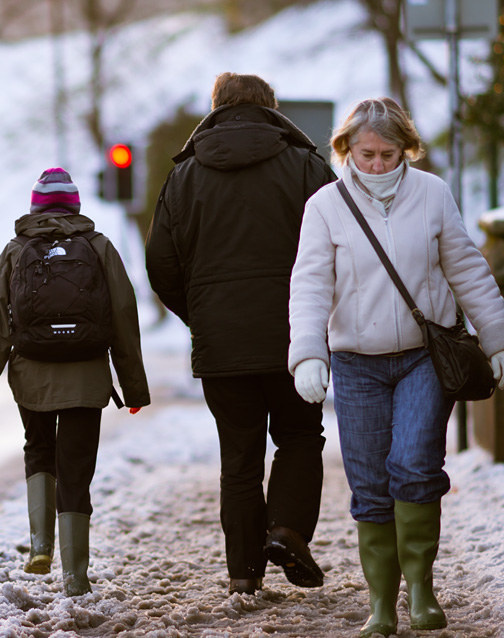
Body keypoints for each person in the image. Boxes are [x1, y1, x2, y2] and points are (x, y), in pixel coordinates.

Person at [288, 97, 504, 636]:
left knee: (413, 464)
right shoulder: (325, 205)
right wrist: (309, 353)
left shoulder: (432, 193)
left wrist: (497, 339)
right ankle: (381, 605)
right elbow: (310, 285)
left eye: (389, 154)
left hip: (423, 358)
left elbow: (468, 269)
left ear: (406, 150)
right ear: (346, 150)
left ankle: (421, 593)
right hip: (356, 363)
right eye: (367, 154)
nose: (378, 165)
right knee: (369, 482)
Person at [145, 72, 336, 595]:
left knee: (240, 456)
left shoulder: (182, 176)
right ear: (272, 109)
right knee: (299, 435)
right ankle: (287, 531)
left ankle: (243, 575)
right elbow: (339, 246)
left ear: (216, 108)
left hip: (221, 342)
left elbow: (160, 262)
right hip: (294, 338)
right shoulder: (306, 166)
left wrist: (202, 313)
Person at [0, 167, 150, 597]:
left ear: (35, 207)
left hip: (32, 376)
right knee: (76, 471)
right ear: (76, 206)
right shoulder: (98, 248)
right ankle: (75, 576)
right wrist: (133, 388)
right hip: (86, 379)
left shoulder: (15, 251)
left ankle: (41, 546)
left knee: (40, 449)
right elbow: (123, 320)